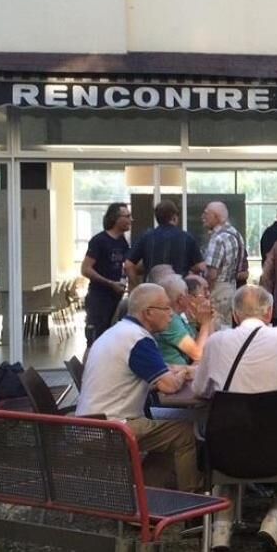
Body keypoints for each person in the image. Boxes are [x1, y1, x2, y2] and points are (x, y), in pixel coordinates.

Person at [193, 284, 277, 552]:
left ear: (235, 315)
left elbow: (200, 391)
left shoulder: (216, 342)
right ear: (269, 312)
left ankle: (221, 527)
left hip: (226, 452)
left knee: (223, 439)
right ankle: (275, 518)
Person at [74, 282, 197, 492]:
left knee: (168, 433)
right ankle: (193, 503)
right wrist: (185, 372)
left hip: (91, 423)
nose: (171, 314)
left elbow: (162, 369)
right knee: (184, 433)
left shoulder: (121, 332)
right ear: (148, 313)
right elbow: (168, 386)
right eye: (166, 308)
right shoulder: (138, 340)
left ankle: (144, 497)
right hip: (112, 427)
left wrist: (179, 370)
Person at [80, 201, 130, 346]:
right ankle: (89, 368)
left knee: (111, 340)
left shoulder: (122, 241)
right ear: (115, 218)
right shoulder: (99, 241)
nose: (129, 220)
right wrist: (110, 283)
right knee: (95, 340)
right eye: (126, 216)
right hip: (99, 298)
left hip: (116, 298)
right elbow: (86, 269)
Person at [125, 201, 200, 281]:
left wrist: (136, 285)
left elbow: (129, 265)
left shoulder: (146, 237)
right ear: (174, 217)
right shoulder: (186, 238)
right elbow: (200, 266)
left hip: (153, 288)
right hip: (178, 287)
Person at [156, 274, 214, 367]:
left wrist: (207, 317)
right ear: (180, 299)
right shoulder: (170, 320)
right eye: (187, 293)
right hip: (175, 374)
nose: (190, 296)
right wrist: (205, 323)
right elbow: (198, 354)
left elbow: (209, 344)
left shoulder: (178, 317)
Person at [200, 200, 247, 305]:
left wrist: (206, 292)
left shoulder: (218, 239)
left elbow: (212, 274)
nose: (203, 217)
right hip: (231, 290)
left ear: (216, 217)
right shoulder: (236, 234)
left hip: (217, 292)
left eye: (206, 213)